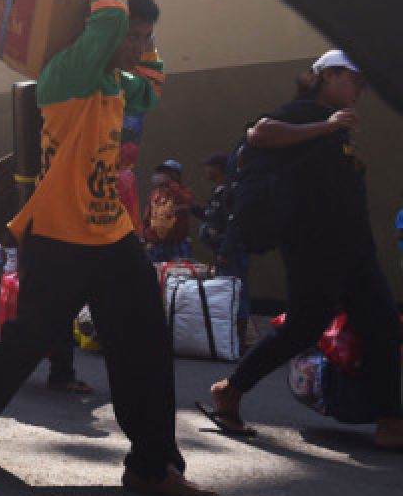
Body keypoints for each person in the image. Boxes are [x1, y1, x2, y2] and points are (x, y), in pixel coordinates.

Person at [0, 0, 217, 496]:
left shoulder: (119, 84)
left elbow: (156, 86)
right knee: (33, 335)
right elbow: (112, 19)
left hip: (113, 234)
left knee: (143, 340)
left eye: (144, 38)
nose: (135, 45)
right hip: (59, 234)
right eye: (132, 37)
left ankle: (151, 464)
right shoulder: (66, 74)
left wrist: (148, 39)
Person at [206, 50, 403, 448]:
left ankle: (390, 421)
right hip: (315, 246)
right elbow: (259, 132)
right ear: (327, 76)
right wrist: (325, 126)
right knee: (302, 327)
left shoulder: (336, 126)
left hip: (354, 248)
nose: (360, 90)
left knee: (382, 324)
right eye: (354, 80)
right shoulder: (303, 111)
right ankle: (231, 389)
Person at [194, 152, 251, 351]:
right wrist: (191, 208)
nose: (205, 170)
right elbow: (212, 219)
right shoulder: (218, 192)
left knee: (236, 292)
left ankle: (240, 340)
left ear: (219, 168)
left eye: (209, 166)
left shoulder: (230, 192)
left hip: (232, 252)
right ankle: (227, 338)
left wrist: (225, 251)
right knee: (227, 293)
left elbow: (234, 224)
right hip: (221, 251)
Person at [141, 160, 193, 262]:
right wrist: (147, 236)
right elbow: (147, 217)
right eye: (161, 172)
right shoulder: (155, 193)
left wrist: (171, 184)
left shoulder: (184, 191)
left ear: (176, 175)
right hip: (156, 246)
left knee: (179, 275)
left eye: (166, 172)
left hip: (177, 245)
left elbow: (185, 202)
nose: (161, 175)